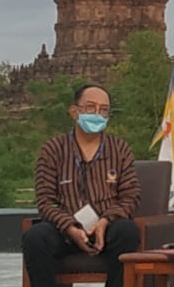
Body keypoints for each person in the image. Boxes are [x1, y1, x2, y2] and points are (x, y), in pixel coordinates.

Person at [22, 83, 141, 287]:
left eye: (103, 110)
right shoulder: (53, 149)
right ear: (74, 111)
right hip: (63, 229)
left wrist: (105, 221)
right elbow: (46, 202)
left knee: (127, 231)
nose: (97, 114)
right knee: (35, 238)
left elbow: (131, 196)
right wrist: (69, 227)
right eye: (90, 107)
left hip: (107, 228)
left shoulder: (120, 149)